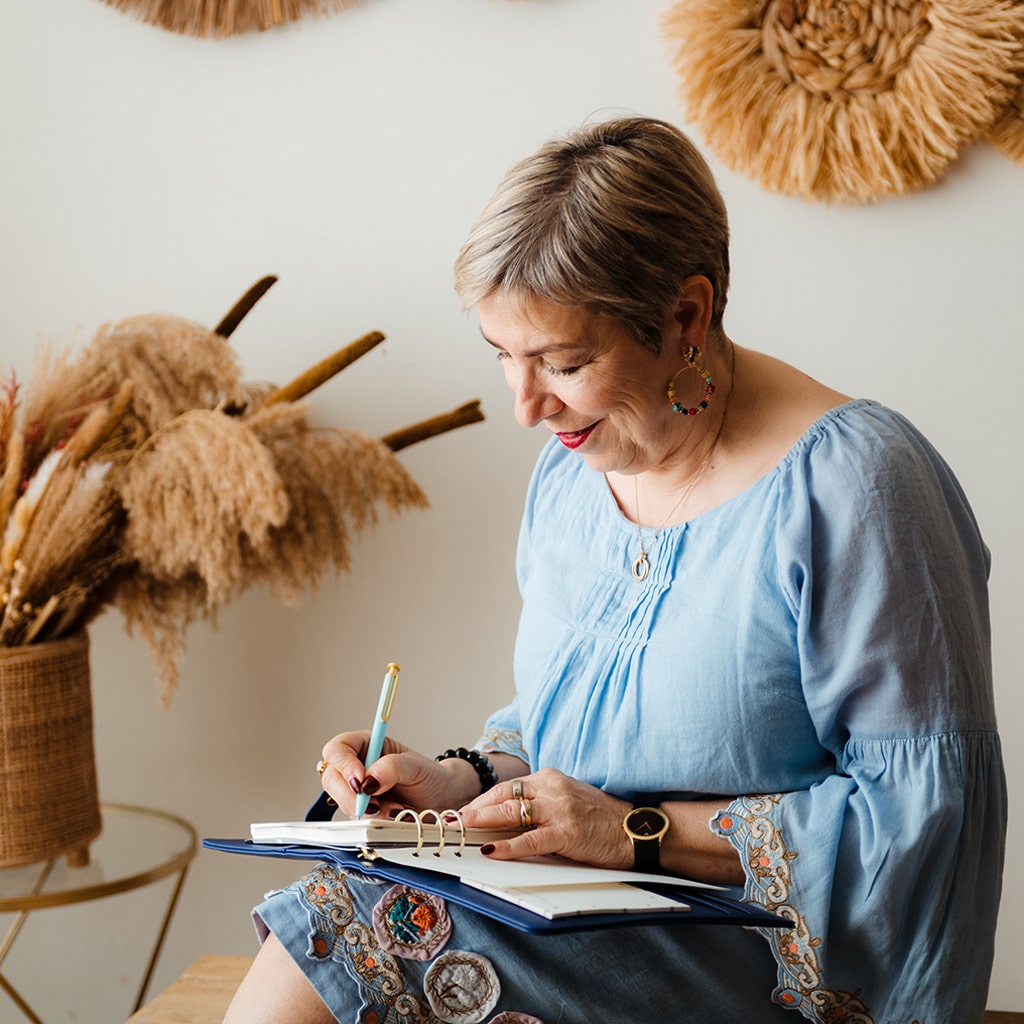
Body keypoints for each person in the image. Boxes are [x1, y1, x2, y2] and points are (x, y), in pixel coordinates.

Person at [223, 116, 1006, 1024]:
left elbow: (923, 828)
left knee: (351, 927)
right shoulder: (574, 466)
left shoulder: (856, 486)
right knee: (349, 898)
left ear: (686, 315)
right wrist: (459, 784)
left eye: (562, 362)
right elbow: (566, 726)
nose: (524, 407)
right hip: (571, 911)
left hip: (759, 952)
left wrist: (634, 834)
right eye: (504, 359)